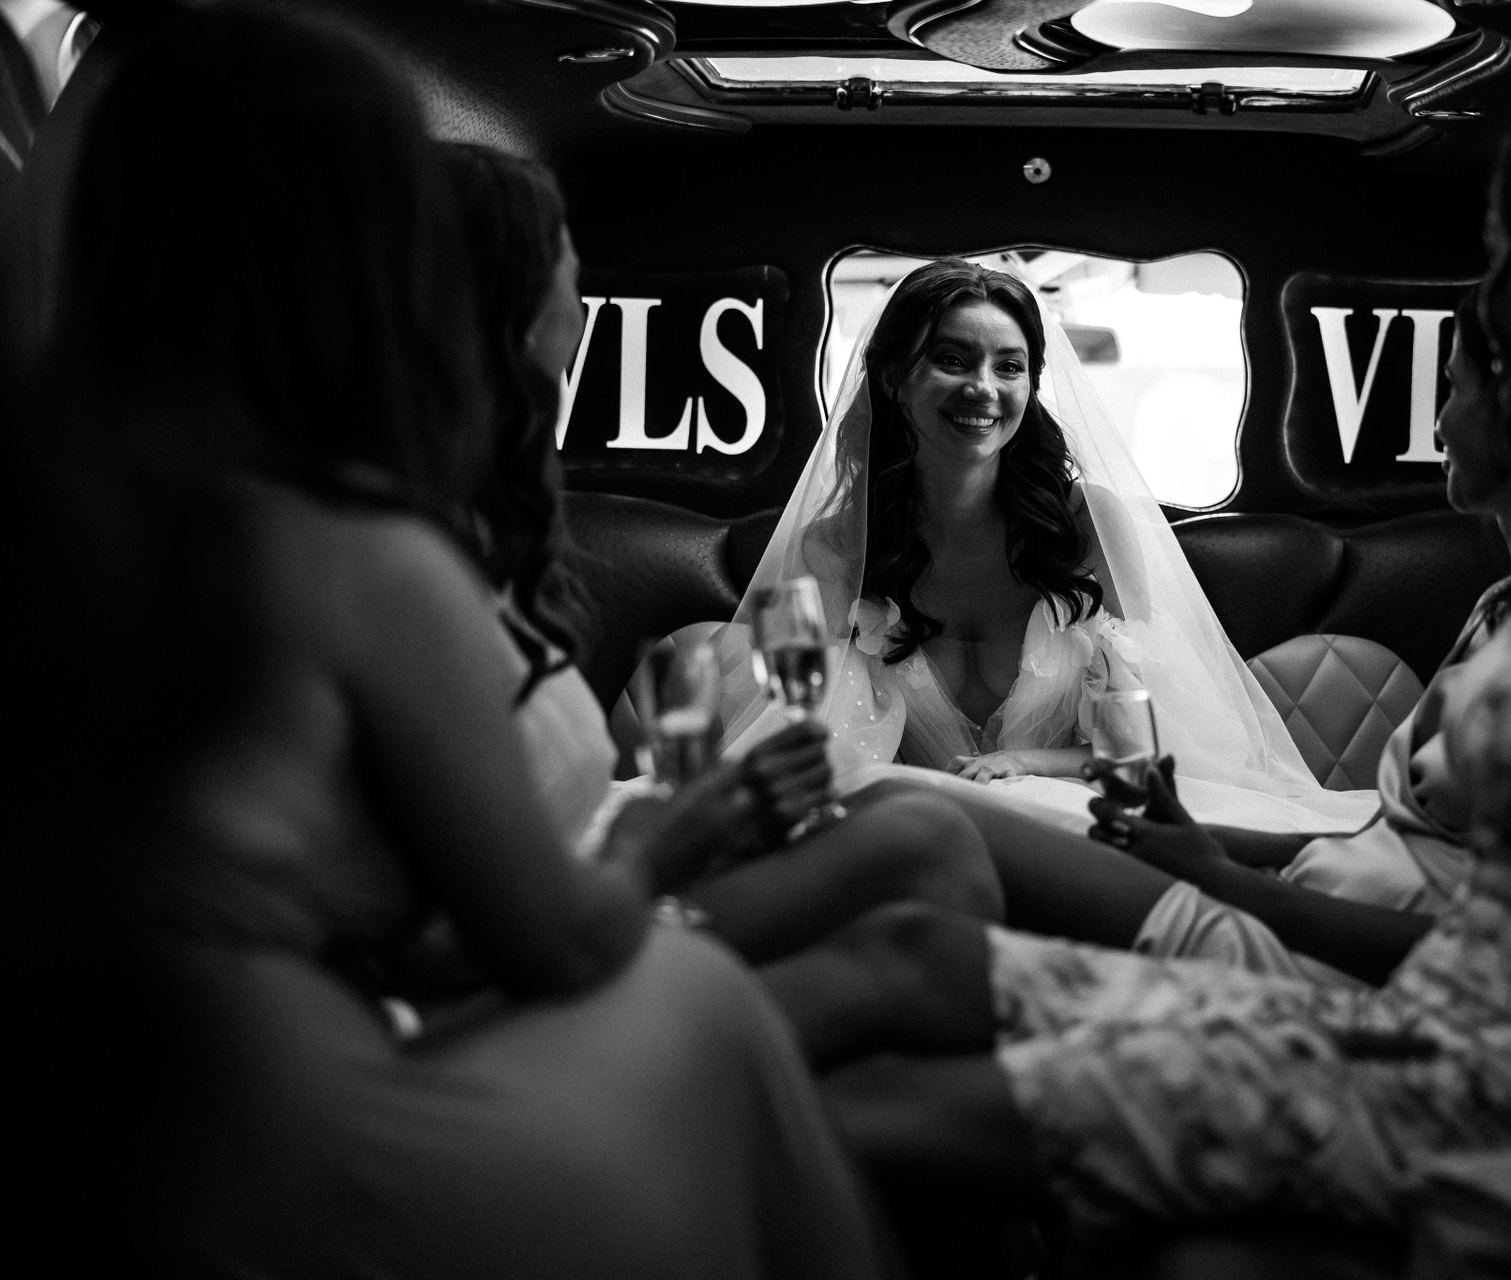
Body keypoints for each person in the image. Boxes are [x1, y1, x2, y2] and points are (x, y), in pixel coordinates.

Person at [755, 66, 1511, 1276]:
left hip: (1493, 1086)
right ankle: (653, 1018)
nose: (1489, 306)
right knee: (905, 960)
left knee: (870, 1114)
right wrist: (1220, 865)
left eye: (1504, 257)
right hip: (1416, 1018)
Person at [54, 10, 895, 1278]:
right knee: (702, 1002)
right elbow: (553, 939)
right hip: (284, 1145)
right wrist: (666, 834)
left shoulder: (98, 507)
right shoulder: (356, 550)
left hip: (131, 1124)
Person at [917, 293, 1511, 988]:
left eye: (1454, 390)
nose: (1439, 425)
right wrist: (1213, 845)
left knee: (902, 840)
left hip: (1325, 937)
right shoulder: (1503, 608)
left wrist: (1222, 877)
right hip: (1314, 884)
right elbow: (1394, 837)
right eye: (951, 360)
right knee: (906, 852)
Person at [435, 140, 1000, 967]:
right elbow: (490, 921)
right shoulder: (399, 567)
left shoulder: (479, 534)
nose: (582, 313)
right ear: (510, 318)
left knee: (921, 866)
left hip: (580, 890)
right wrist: (662, 846)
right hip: (552, 941)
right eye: (567, 274)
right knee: (923, 847)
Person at [711, 257, 1379, 837]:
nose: (983, 387)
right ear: (892, 376)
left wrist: (1026, 765)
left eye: (1010, 366)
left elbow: (1146, 748)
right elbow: (813, 751)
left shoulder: (1091, 523)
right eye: (952, 360)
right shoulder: (833, 550)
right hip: (921, 831)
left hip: (1078, 821)